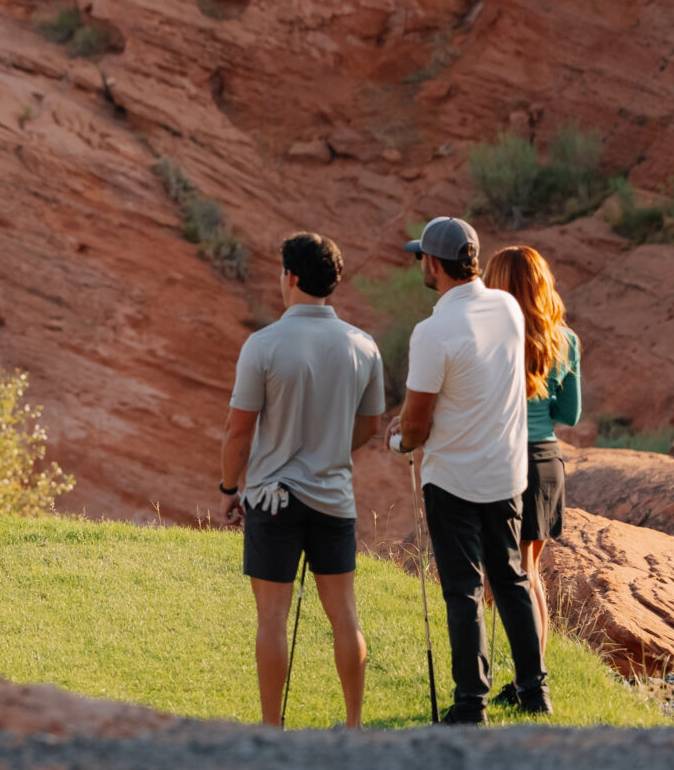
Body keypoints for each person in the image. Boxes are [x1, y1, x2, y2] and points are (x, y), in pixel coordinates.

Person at [218, 232, 389, 727]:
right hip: (334, 499)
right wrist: (331, 451)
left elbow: (238, 430)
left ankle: (273, 729)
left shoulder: (264, 345)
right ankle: (354, 724)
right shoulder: (363, 345)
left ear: (290, 278)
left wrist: (231, 488)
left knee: (271, 619)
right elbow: (372, 424)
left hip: (272, 500)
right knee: (344, 615)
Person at [392, 215, 546, 722]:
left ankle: (470, 703)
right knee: (512, 580)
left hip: (454, 480)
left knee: (464, 590)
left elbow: (415, 425)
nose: (421, 264)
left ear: (434, 264)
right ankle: (533, 692)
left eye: (422, 258)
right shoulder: (506, 308)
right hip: (505, 473)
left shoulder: (432, 332)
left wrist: (398, 439)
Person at [486, 244, 582, 656]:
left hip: (503, 459)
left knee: (506, 575)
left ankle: (530, 681)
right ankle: (534, 675)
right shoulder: (565, 340)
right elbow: (570, 414)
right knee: (530, 570)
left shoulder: (490, 335)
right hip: (546, 460)